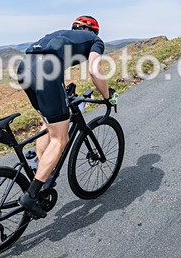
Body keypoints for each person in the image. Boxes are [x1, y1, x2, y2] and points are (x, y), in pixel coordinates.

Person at [15, 15, 118, 218]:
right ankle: (31, 195)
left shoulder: (61, 35)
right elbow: (94, 70)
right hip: (47, 70)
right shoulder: (95, 42)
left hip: (24, 67)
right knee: (60, 139)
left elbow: (52, 61)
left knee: (49, 122)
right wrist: (107, 96)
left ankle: (40, 166)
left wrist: (64, 92)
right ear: (95, 32)